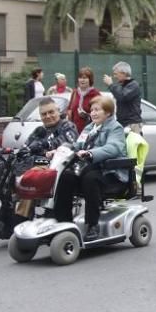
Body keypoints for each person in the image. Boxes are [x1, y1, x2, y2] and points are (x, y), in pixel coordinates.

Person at [52, 96, 127, 239]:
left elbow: (113, 148)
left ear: (108, 113)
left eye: (97, 110)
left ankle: (93, 225)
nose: (93, 113)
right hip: (89, 168)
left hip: (111, 172)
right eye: (92, 110)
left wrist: (90, 153)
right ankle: (63, 222)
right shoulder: (89, 128)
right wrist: (59, 150)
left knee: (90, 179)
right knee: (66, 176)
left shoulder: (115, 128)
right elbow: (76, 146)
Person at [103, 61, 142, 133]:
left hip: (132, 124)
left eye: (116, 74)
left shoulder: (133, 85)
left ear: (124, 73)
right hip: (122, 123)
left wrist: (111, 85)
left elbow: (122, 96)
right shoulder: (121, 86)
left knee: (132, 144)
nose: (114, 76)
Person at [68, 67, 101, 134]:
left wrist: (87, 115)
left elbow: (101, 114)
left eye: (85, 78)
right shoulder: (75, 92)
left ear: (90, 80)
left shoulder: (96, 94)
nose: (82, 80)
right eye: (80, 78)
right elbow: (69, 108)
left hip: (90, 131)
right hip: (74, 131)